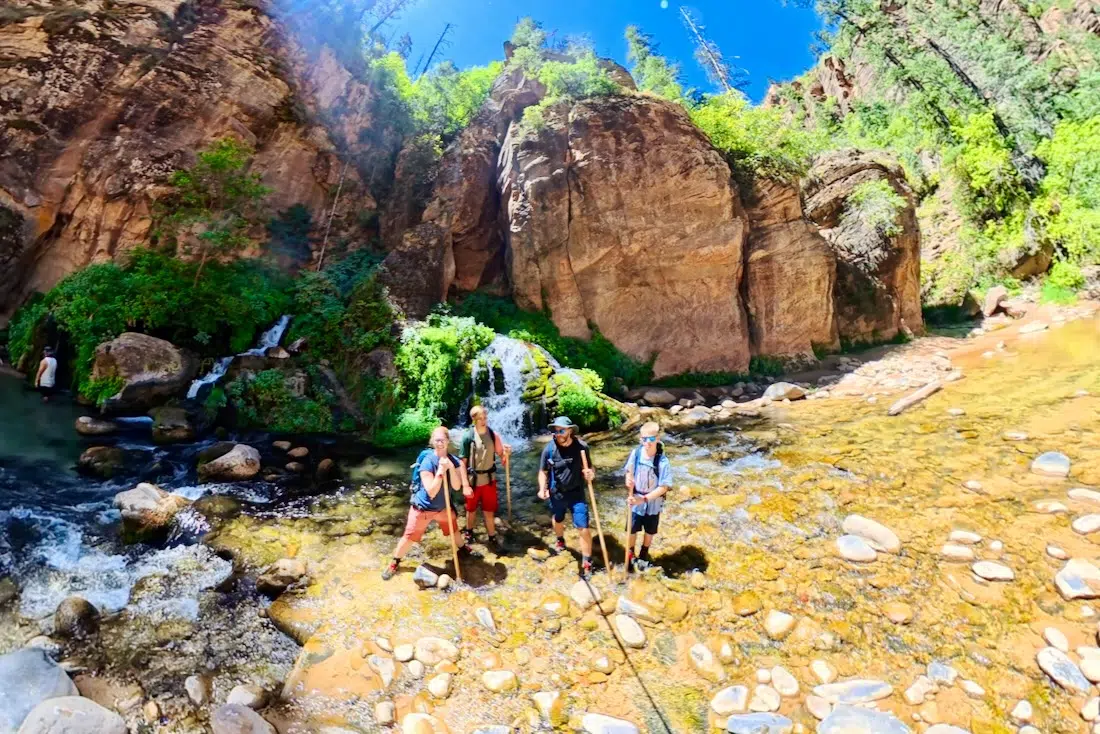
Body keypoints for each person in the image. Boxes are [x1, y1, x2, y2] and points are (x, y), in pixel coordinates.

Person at [382, 425, 480, 580]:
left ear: (448, 441)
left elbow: (456, 486)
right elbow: (431, 491)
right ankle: (395, 562)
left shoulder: (453, 461)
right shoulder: (428, 461)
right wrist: (441, 472)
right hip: (423, 508)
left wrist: (450, 468)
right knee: (409, 537)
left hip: (442, 507)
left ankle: (462, 549)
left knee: (453, 530)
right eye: (437, 440)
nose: (440, 443)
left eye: (443, 439)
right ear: (433, 442)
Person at [537, 416, 597, 576]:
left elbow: (590, 468)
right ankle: (560, 539)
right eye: (555, 431)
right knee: (558, 519)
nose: (558, 434)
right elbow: (542, 472)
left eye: (561, 430)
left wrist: (590, 474)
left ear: (570, 431)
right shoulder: (549, 449)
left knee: (583, 527)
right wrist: (542, 488)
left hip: (577, 493)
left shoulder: (582, 447)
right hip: (556, 492)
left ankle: (586, 560)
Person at [459, 405, 511, 549]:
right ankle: (469, 531)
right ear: (473, 420)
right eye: (480, 418)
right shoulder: (467, 437)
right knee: (471, 510)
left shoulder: (493, 435)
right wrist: (465, 485)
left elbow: (502, 456)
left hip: (489, 481)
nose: (483, 421)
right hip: (473, 481)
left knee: (489, 511)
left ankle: (492, 536)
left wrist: (506, 453)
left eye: (485, 418)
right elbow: (462, 463)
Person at [623, 421, 672, 571]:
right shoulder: (636, 453)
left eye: (651, 439)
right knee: (632, 528)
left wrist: (643, 499)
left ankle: (644, 552)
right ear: (640, 439)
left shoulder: (662, 461)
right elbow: (628, 470)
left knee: (650, 530)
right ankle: (630, 552)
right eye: (644, 439)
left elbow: (664, 487)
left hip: (652, 502)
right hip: (635, 497)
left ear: (657, 438)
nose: (647, 443)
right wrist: (628, 480)